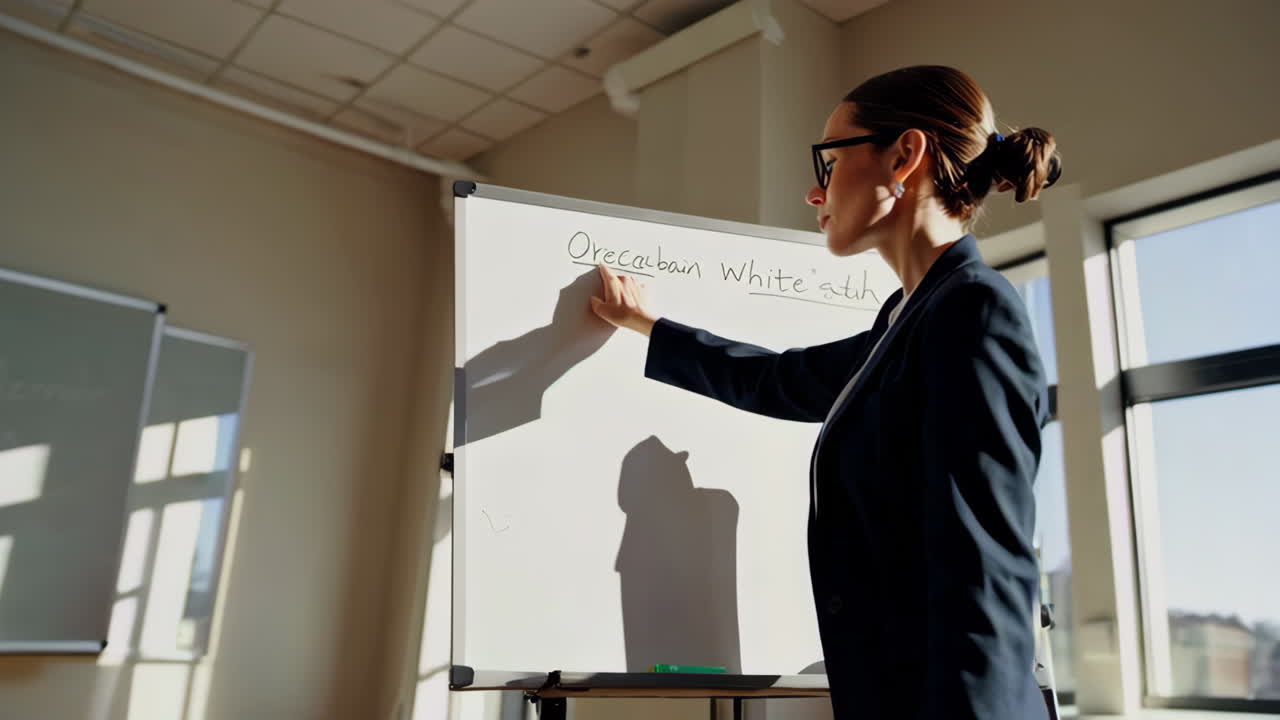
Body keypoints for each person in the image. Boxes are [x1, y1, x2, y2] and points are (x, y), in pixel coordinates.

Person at [590, 65, 1061, 719]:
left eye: (829, 161)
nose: (816, 193)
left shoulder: (973, 312)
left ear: (906, 155)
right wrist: (647, 325)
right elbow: (779, 380)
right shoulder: (908, 318)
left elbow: (982, 574)